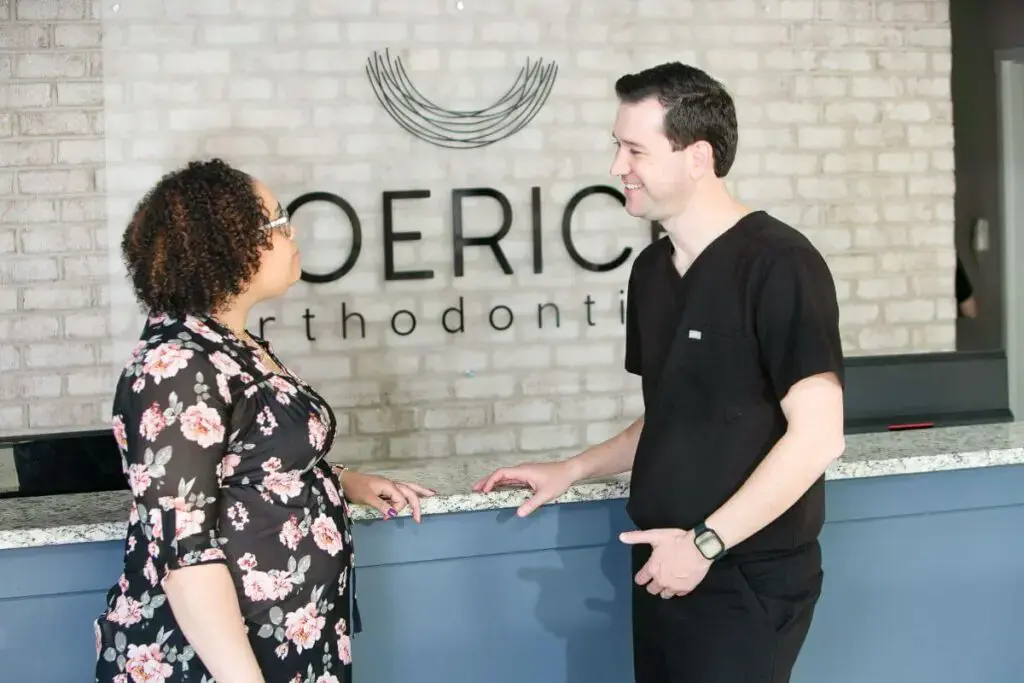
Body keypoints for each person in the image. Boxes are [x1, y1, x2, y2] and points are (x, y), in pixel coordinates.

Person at [473, 62, 846, 683]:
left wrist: (705, 543)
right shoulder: (650, 272)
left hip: (741, 571)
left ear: (697, 157)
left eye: (634, 149)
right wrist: (573, 468)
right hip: (663, 561)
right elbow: (671, 416)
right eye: (617, 146)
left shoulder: (781, 264)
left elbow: (818, 436)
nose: (618, 167)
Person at [94, 158, 435, 683]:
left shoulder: (232, 345)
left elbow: (251, 460)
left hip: (289, 637)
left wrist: (347, 482)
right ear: (224, 246)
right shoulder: (177, 367)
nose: (291, 233)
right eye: (276, 223)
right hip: (218, 661)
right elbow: (184, 553)